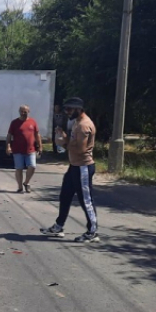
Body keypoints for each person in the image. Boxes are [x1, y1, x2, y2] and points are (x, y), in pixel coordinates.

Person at [41, 97, 99, 243]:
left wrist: (64, 143)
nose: (67, 112)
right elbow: (74, 142)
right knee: (65, 196)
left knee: (86, 200)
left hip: (83, 167)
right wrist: (65, 137)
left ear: (79, 109)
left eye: (70, 109)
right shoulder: (76, 123)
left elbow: (81, 149)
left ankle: (92, 231)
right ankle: (59, 226)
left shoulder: (83, 125)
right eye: (66, 109)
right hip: (74, 166)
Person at [5, 104, 42, 193]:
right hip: (17, 150)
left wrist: (40, 146)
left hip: (30, 149)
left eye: (25, 112)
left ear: (28, 112)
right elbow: (9, 135)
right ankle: (20, 187)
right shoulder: (14, 123)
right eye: (21, 111)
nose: (23, 113)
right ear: (19, 112)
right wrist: (8, 146)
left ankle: (26, 182)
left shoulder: (32, 122)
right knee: (19, 168)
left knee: (32, 166)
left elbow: (37, 135)